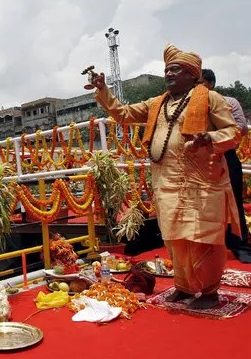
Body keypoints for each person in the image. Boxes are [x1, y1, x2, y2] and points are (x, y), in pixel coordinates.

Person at [90, 44, 241, 309]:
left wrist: (210, 137)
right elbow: (123, 115)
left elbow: (233, 132)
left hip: (202, 182)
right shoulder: (156, 104)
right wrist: (103, 90)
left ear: (192, 75)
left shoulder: (210, 99)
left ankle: (209, 292)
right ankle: (183, 288)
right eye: (167, 70)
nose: (169, 74)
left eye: (176, 69)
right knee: (175, 239)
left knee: (202, 238)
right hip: (166, 183)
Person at [202, 69, 251, 262]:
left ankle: (240, 246)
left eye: (201, 83)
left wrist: (215, 132)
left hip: (226, 157)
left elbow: (242, 129)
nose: (197, 88)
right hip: (200, 161)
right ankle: (208, 247)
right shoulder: (188, 107)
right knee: (203, 204)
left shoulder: (229, 102)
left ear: (211, 83)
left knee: (234, 202)